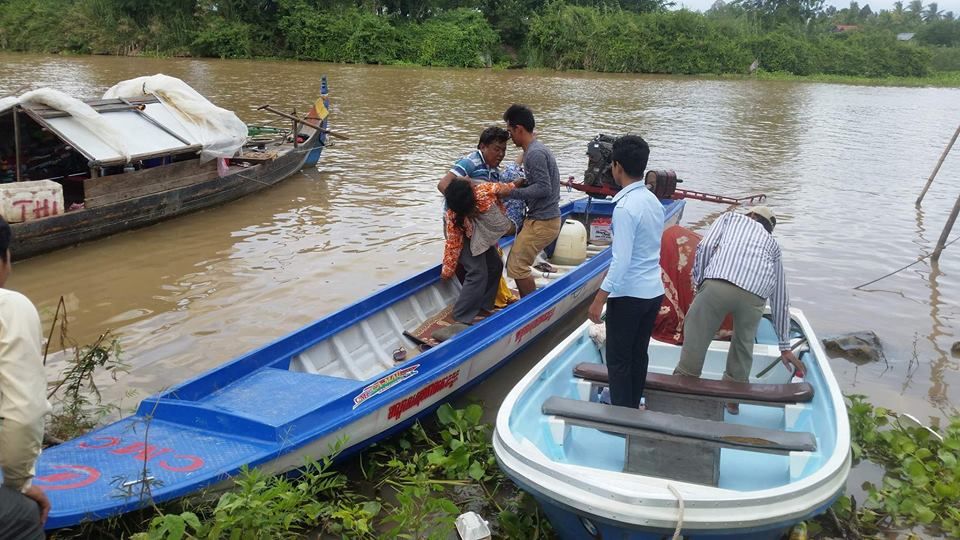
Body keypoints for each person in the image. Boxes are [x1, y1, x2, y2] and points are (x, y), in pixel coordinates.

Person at [673, 206, 803, 415]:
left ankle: (682, 386)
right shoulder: (773, 245)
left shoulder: (730, 218)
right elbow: (780, 295)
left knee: (696, 334)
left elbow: (706, 246)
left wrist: (701, 281)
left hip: (719, 283)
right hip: (755, 295)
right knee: (743, 345)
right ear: (769, 229)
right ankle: (733, 400)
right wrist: (784, 346)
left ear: (751, 215)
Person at [587, 135, 664, 410]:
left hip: (629, 295)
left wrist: (599, 300)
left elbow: (621, 261)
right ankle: (631, 407)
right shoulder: (653, 201)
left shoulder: (625, 207)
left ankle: (622, 416)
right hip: (652, 292)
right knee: (638, 355)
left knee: (618, 361)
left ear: (617, 166)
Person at [0, 215, 52, 539]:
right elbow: (24, 415)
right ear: (3, 260)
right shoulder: (10, 308)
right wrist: (20, 484)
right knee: (23, 514)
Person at [439, 178, 518, 336]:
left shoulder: (483, 192)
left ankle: (484, 305)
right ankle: (461, 316)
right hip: (465, 237)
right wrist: (447, 271)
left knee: (496, 265)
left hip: (480, 232)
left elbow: (504, 188)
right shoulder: (453, 216)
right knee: (477, 272)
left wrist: (517, 184)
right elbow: (453, 245)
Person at [502, 104, 561, 297]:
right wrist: (523, 183)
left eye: (510, 132)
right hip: (540, 218)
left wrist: (511, 192)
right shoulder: (534, 150)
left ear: (519, 129)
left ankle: (531, 305)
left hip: (544, 221)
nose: (510, 137)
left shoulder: (534, 154)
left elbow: (544, 188)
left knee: (516, 265)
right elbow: (541, 183)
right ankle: (528, 300)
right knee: (516, 264)